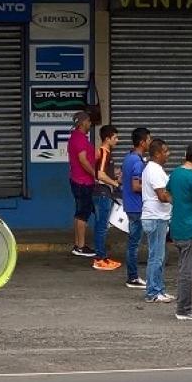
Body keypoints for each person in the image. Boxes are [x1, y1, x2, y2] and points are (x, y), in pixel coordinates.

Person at [166, 143, 192, 320]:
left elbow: (166, 194)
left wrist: (179, 205)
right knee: (187, 271)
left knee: (184, 267)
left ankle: (183, 306)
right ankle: (184, 308)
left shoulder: (175, 173)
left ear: (185, 155)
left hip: (175, 225)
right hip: (189, 228)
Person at [141, 138, 174, 303]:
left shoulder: (155, 169)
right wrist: (179, 201)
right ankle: (153, 292)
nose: (168, 154)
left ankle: (159, 289)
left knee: (158, 256)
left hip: (157, 217)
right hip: (155, 217)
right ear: (157, 153)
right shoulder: (154, 170)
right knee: (156, 257)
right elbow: (162, 196)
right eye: (166, 151)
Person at [122, 127, 150, 289]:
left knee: (134, 242)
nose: (150, 142)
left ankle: (133, 276)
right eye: (148, 140)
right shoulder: (137, 162)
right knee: (134, 243)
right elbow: (135, 186)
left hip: (130, 206)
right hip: (136, 207)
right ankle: (132, 277)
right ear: (142, 142)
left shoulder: (128, 158)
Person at [91, 125, 121, 271]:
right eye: (115, 137)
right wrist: (114, 183)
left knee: (101, 226)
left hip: (101, 193)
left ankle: (102, 256)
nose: (117, 140)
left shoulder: (105, 153)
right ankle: (99, 259)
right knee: (101, 226)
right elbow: (100, 175)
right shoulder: (104, 152)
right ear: (107, 138)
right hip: (102, 193)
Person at [67, 111, 96, 257]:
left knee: (80, 213)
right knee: (83, 213)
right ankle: (80, 246)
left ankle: (78, 245)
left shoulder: (78, 138)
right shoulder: (78, 138)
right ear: (82, 122)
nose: (90, 124)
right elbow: (83, 160)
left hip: (79, 180)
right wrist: (94, 174)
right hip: (82, 181)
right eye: (89, 121)